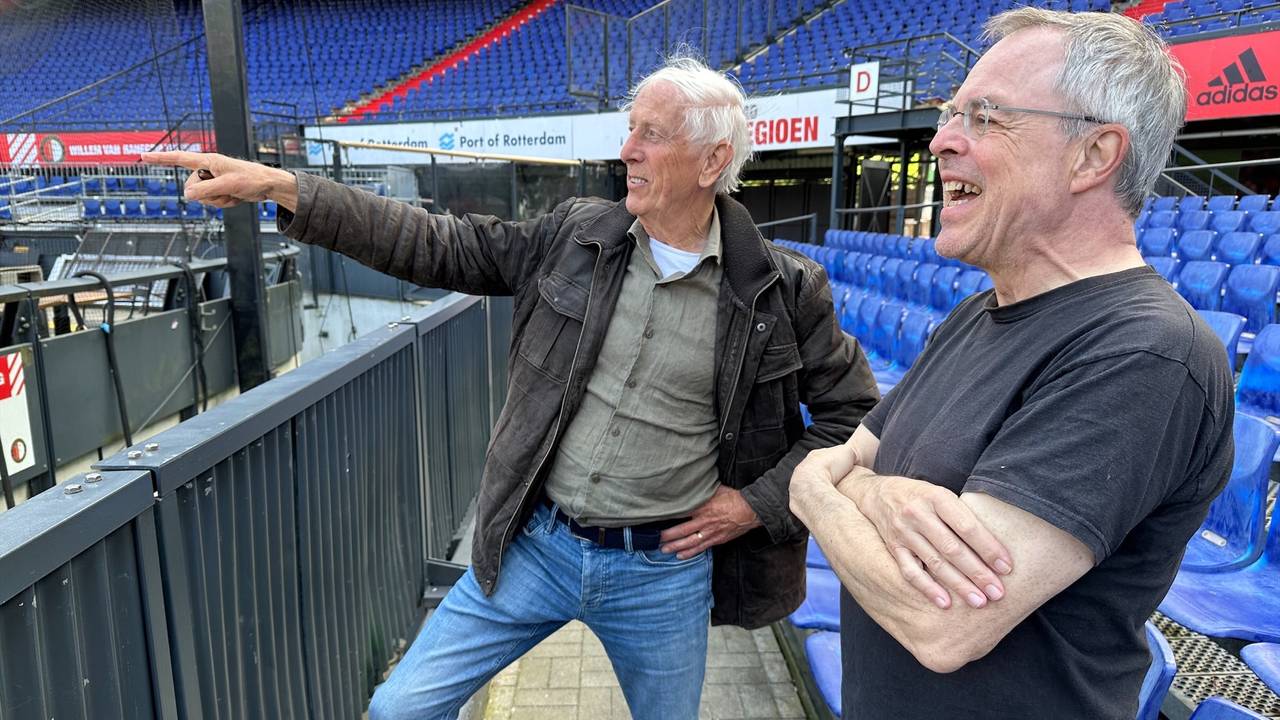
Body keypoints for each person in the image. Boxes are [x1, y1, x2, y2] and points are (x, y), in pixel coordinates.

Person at [146, 55, 877, 720]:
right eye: (631, 130)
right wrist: (287, 187)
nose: (626, 150)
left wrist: (754, 506)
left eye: (650, 135)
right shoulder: (575, 234)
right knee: (399, 710)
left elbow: (853, 417)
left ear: (713, 159)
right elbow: (438, 244)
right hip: (538, 546)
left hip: (663, 573)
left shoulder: (784, 289)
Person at [789, 8, 1234, 720]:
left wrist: (817, 492)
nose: (940, 141)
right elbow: (846, 458)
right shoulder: (978, 313)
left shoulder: (1146, 351)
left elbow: (942, 624)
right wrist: (866, 492)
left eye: (986, 118)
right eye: (950, 114)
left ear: (1093, 155)